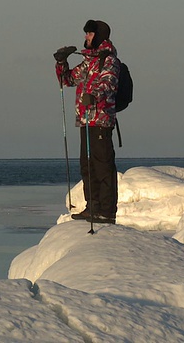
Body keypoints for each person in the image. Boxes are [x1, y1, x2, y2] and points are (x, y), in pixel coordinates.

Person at [53, 20, 120, 224]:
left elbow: (108, 84)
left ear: (99, 36)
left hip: (101, 119)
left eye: (89, 34)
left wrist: (95, 95)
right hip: (86, 120)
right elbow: (68, 80)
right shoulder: (89, 61)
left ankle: (106, 212)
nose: (86, 37)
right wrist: (61, 62)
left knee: (103, 166)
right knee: (87, 165)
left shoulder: (109, 60)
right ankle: (92, 207)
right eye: (86, 34)